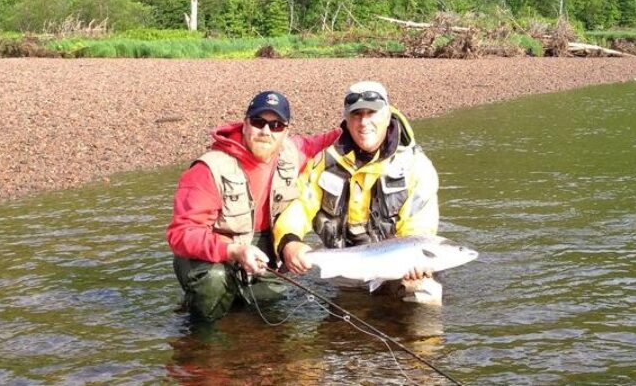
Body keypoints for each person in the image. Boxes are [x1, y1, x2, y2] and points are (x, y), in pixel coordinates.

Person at [167, 90, 340, 321]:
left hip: (260, 252)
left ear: (286, 131)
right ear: (245, 123)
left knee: (268, 304)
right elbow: (181, 234)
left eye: (276, 125)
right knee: (214, 283)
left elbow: (335, 137)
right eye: (259, 122)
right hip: (210, 256)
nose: (266, 131)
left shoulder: (294, 151)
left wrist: (377, 121)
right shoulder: (207, 170)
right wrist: (234, 251)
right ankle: (202, 338)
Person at [273, 81, 441, 301]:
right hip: (345, 269)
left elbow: (420, 227)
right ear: (346, 119)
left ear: (388, 114)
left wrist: (417, 265)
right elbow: (301, 206)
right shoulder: (323, 162)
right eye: (356, 114)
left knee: (424, 291)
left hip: (398, 268)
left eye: (372, 113)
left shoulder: (416, 166)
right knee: (349, 313)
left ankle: (422, 336)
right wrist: (289, 242)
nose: (364, 122)